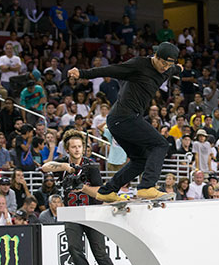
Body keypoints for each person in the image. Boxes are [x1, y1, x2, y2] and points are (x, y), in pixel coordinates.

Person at [67, 42, 183, 202]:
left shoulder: (167, 70)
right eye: (163, 63)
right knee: (160, 144)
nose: (164, 67)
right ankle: (147, 187)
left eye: (169, 64)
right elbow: (110, 70)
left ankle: (107, 191)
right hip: (124, 117)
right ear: (155, 56)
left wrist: (179, 68)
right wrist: (82, 73)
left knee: (140, 159)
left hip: (121, 120)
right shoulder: (139, 65)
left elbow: (174, 69)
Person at [42, 129, 124, 265]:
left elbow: (101, 193)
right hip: (72, 213)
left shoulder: (91, 166)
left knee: (100, 253)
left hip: (92, 212)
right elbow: (44, 167)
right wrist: (65, 167)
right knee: (73, 248)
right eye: (73, 147)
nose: (77, 149)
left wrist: (83, 188)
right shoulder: (63, 164)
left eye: (80, 146)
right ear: (67, 149)